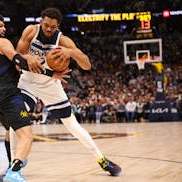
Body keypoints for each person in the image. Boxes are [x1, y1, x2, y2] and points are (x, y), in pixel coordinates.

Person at [16, 8, 121, 176]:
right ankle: (15, 162)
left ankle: (101, 159)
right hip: (28, 81)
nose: (49, 29)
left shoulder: (63, 40)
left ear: (58, 27)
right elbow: (17, 57)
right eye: (46, 25)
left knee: (72, 124)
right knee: (15, 115)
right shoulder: (30, 31)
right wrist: (28, 58)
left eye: (53, 26)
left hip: (51, 84)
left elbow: (86, 65)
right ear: (41, 22)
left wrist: (71, 52)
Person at [0, 12, 67, 182]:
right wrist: (50, 73)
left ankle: (17, 161)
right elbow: (17, 59)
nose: (4, 29)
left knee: (13, 131)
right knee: (27, 135)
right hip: (8, 94)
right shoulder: (1, 42)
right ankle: (14, 171)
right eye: (1, 25)